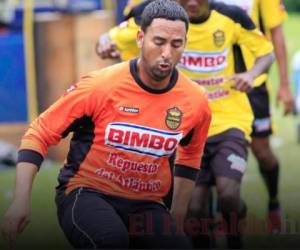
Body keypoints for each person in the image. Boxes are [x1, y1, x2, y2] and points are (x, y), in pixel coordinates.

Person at [0, 0, 212, 249]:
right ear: (140, 38)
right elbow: (40, 132)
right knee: (111, 241)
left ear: (185, 44)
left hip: (147, 205)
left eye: (176, 44)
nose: (167, 53)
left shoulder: (196, 101)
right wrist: (20, 201)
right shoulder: (100, 86)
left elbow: (190, 155)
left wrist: (175, 217)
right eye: (159, 42)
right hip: (87, 193)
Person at [96, 0, 275, 248]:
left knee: (228, 194)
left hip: (229, 122)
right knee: (194, 209)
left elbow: (267, 53)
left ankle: (236, 238)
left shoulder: (231, 16)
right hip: (184, 127)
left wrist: (250, 75)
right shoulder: (162, 20)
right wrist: (105, 45)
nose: (192, 3)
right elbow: (109, 40)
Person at [212, 0, 295, 233]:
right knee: (206, 152)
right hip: (213, 88)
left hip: (252, 84)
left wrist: (285, 85)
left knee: (262, 152)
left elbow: (276, 35)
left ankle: (274, 204)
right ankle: (215, 217)